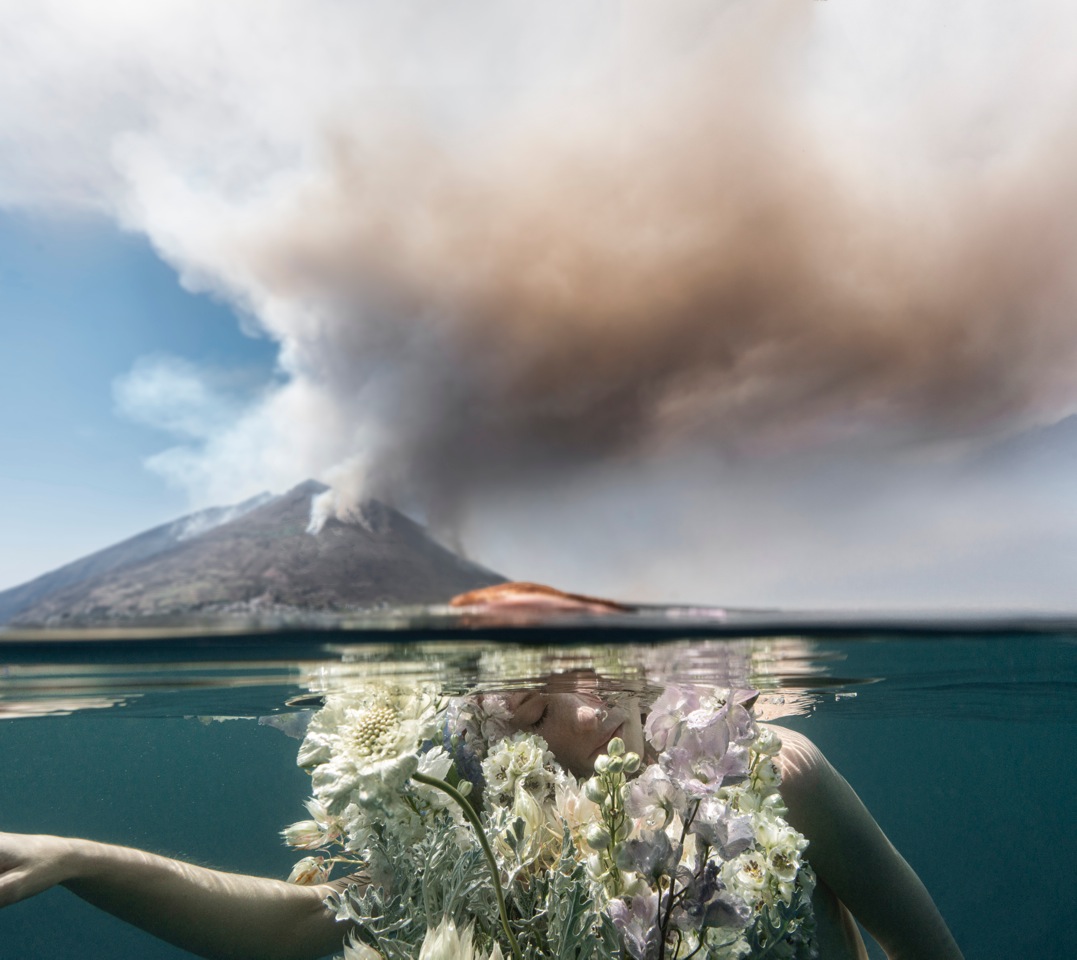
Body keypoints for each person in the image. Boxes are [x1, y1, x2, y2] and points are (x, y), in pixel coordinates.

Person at [0, 583, 964, 960]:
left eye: (582, 681)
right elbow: (311, 925)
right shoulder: (496, 836)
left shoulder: (777, 769)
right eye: (528, 717)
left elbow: (929, 954)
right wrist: (85, 859)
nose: (582, 722)